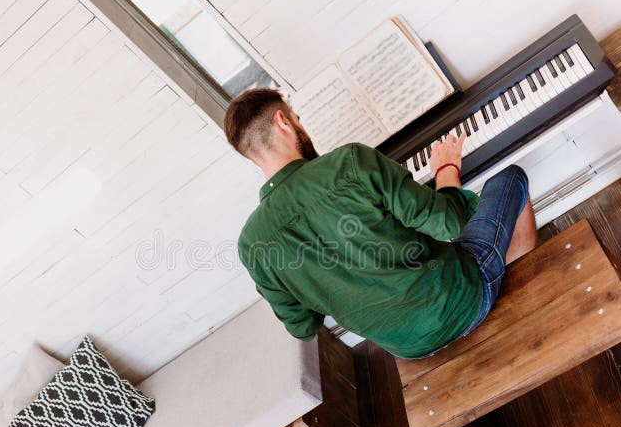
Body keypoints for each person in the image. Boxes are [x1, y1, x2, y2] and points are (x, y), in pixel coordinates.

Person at [225, 88, 537, 359]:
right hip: (463, 302)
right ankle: (526, 280)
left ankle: (500, 273)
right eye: (297, 119)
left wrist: (280, 280)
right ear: (283, 122)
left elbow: (304, 327)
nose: (300, 125)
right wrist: (446, 168)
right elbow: (449, 223)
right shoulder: (348, 162)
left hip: (407, 346)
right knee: (511, 178)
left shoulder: (251, 245)